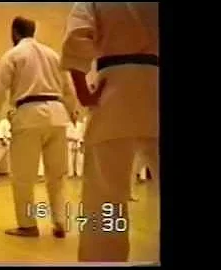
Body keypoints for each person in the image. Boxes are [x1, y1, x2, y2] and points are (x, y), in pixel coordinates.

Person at [61, 2, 158, 262]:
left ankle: (102, 259)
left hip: (113, 86)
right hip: (156, 82)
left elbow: (77, 36)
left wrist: (83, 92)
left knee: (105, 192)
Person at [0, 17, 78, 238]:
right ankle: (60, 222)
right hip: (57, 114)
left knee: (23, 176)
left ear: (14, 32)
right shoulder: (53, 55)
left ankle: (28, 225)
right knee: (57, 175)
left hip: (29, 115)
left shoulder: (13, 55)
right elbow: (68, 87)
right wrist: (73, 112)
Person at [66, 111, 86, 178]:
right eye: (73, 115)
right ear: (71, 116)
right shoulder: (68, 124)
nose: (74, 117)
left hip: (79, 142)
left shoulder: (81, 125)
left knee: (80, 159)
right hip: (70, 142)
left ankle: (79, 173)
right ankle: (70, 174)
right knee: (70, 159)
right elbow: (65, 135)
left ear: (77, 116)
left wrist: (81, 143)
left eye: (76, 115)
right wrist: (72, 139)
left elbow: (82, 134)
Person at [0, 110, 13, 175]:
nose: (12, 116)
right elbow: (0, 131)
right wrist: (2, 140)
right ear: (7, 115)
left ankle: (10, 172)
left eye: (13, 114)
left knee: (10, 159)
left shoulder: (14, 122)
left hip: (11, 142)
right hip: (3, 141)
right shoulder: (3, 122)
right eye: (11, 114)